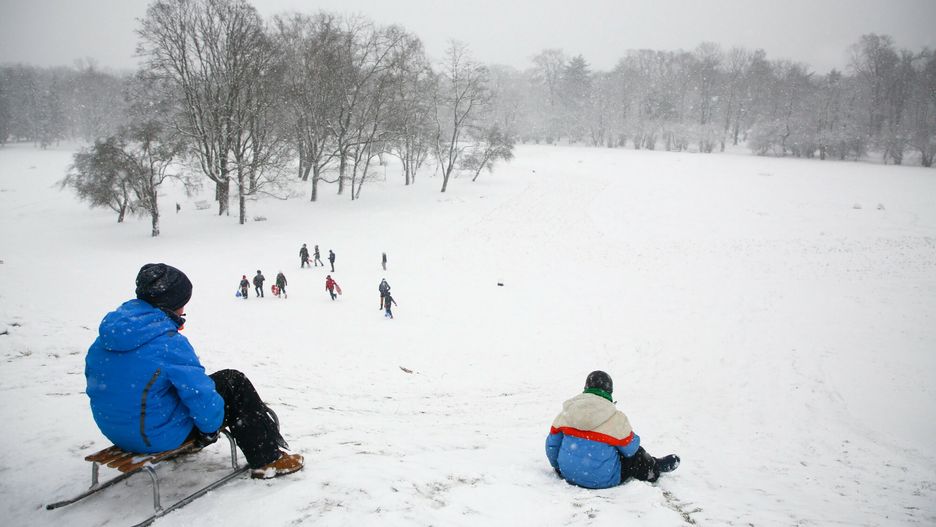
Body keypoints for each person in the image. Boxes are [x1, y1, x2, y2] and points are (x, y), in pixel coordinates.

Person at [85, 263, 303, 479]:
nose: (183, 310)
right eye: (181, 304)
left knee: (163, 386)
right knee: (233, 382)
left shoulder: (106, 338)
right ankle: (267, 459)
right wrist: (209, 430)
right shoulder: (168, 343)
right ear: (169, 304)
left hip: (119, 431)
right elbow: (199, 394)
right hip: (156, 436)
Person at [545, 371, 679, 489]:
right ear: (609, 391)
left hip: (569, 474)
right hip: (602, 479)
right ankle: (653, 468)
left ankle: (576, 469)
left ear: (586, 387)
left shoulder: (567, 411)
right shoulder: (615, 417)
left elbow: (552, 446)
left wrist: (559, 466)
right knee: (637, 455)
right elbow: (631, 449)